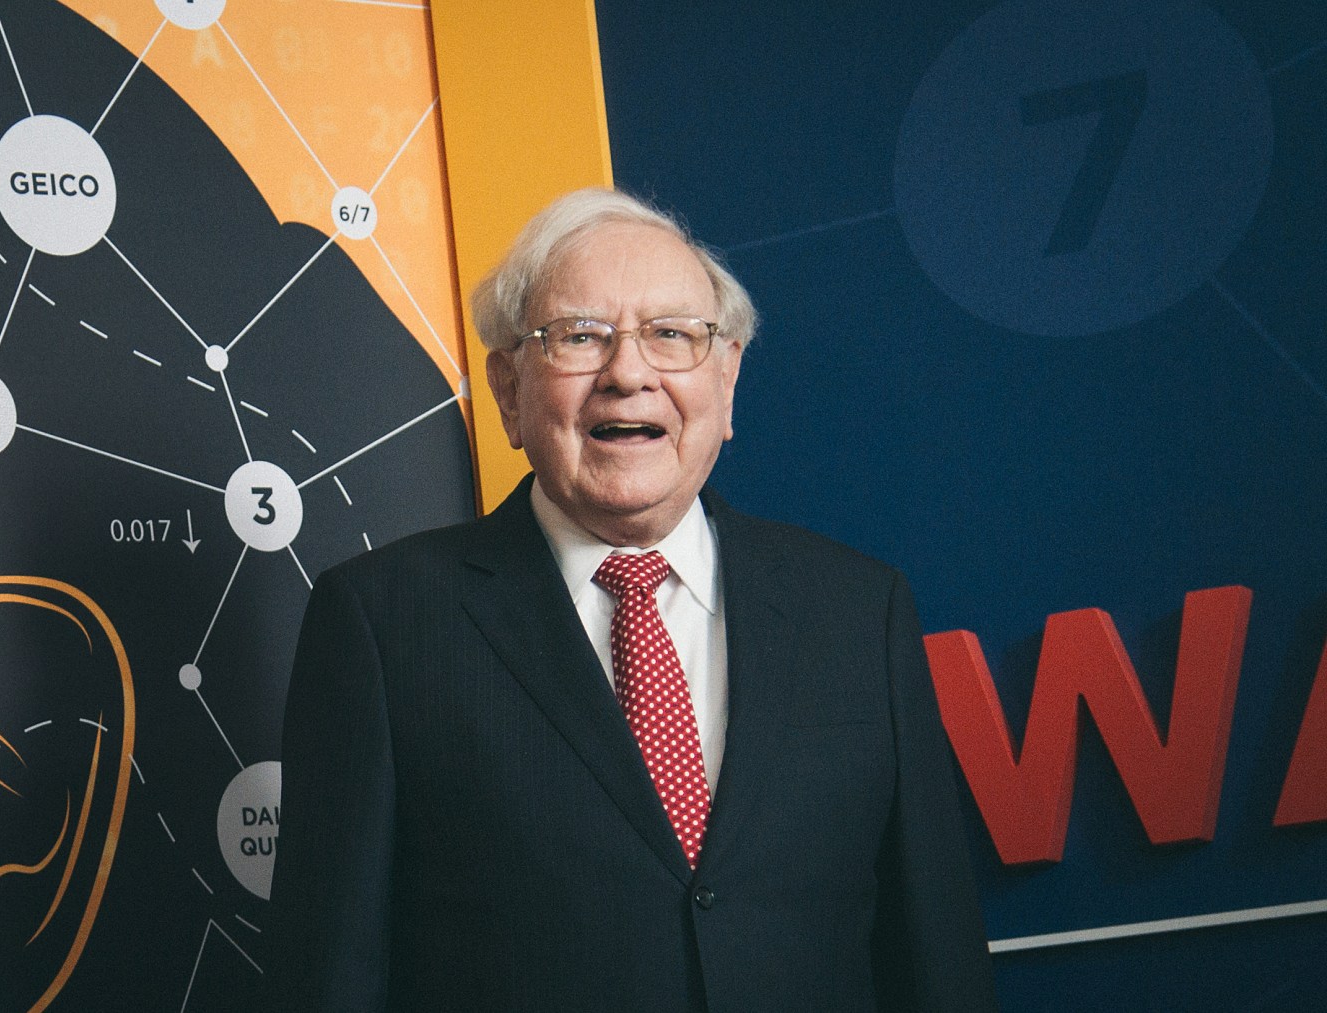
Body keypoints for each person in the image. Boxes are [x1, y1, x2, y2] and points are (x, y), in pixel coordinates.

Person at [264, 188, 997, 1011]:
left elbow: (938, 961)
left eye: (671, 335)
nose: (628, 373)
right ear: (508, 391)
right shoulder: (382, 623)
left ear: (727, 380)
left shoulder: (862, 612)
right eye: (579, 336)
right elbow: (329, 978)